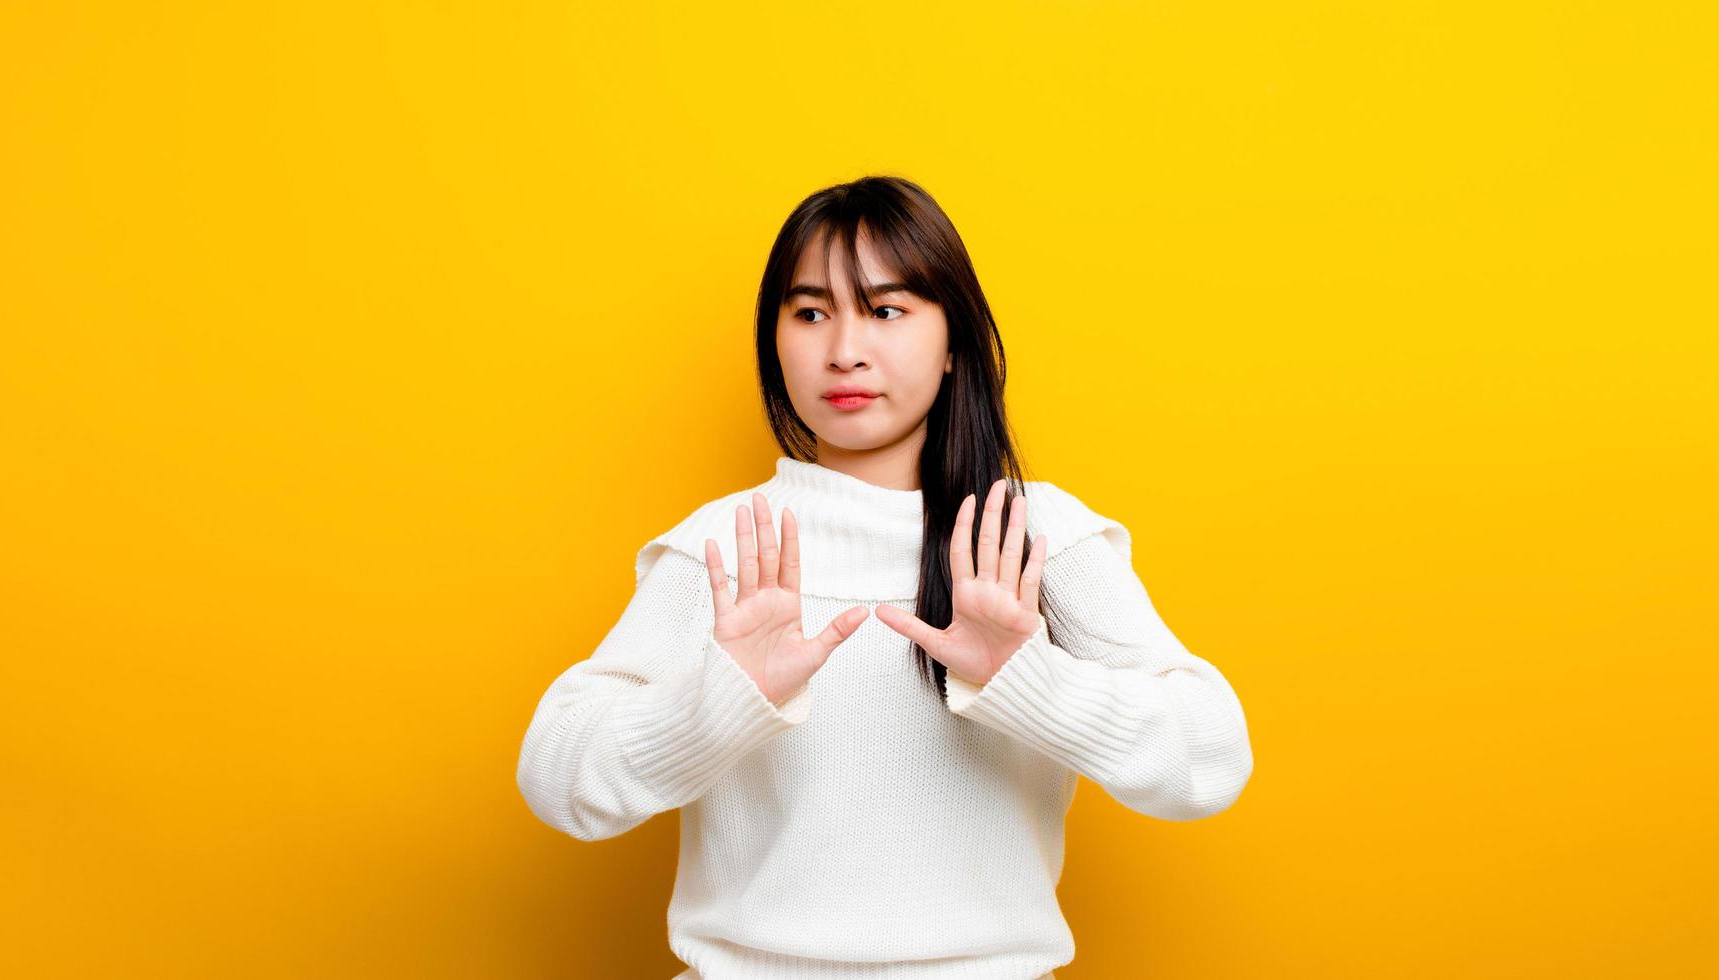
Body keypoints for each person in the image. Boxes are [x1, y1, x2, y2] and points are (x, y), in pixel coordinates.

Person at [516, 175, 1255, 979]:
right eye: (809, 313)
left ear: (953, 344)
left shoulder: (1030, 537)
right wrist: (722, 695)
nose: (844, 350)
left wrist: (1030, 678)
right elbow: (558, 781)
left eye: (886, 310)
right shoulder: (727, 547)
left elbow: (1208, 761)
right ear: (775, 342)